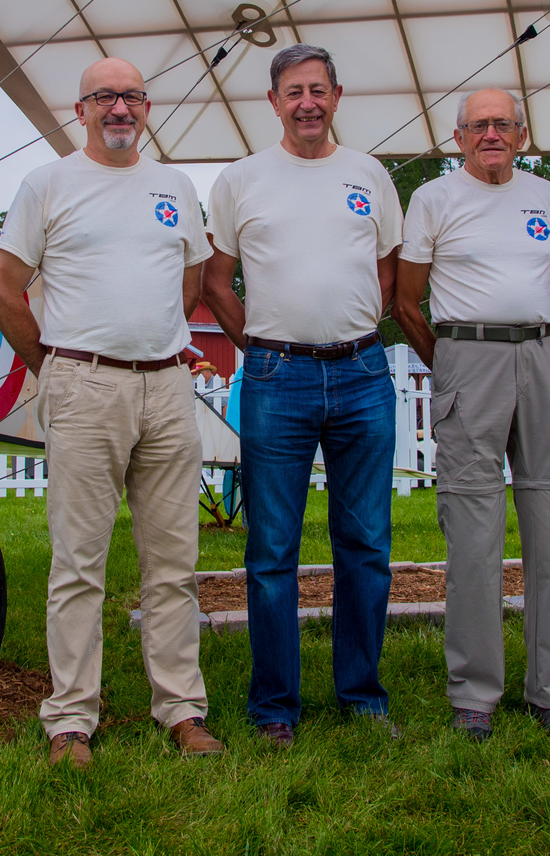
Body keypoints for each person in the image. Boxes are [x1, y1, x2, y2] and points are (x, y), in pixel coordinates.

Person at [0, 57, 224, 768]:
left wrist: (151, 344)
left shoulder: (175, 187)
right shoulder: (48, 184)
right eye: (104, 98)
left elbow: (188, 282)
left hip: (167, 390)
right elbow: (4, 291)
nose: (119, 108)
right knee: (79, 563)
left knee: (174, 563)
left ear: (146, 107)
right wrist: (53, 369)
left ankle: (182, 711)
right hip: (82, 386)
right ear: (80, 109)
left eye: (131, 97)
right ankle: (70, 721)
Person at [203, 43, 402, 747]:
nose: (308, 102)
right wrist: (259, 343)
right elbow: (215, 281)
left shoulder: (370, 175)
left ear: (337, 96)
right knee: (271, 549)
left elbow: (387, 275)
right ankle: (275, 708)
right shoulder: (241, 180)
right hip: (274, 378)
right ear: (275, 102)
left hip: (361, 376)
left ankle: (362, 696)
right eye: (294, 91)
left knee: (366, 544)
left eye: (318, 89)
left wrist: (350, 329)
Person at [393, 88, 550, 740]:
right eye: (480, 125)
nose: (492, 133)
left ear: (522, 135)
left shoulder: (549, 197)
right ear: (458, 136)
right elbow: (406, 300)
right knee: (474, 536)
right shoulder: (434, 200)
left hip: (538, 356)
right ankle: (475, 693)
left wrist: (545, 352)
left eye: (503, 124)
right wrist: (447, 363)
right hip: (466, 356)